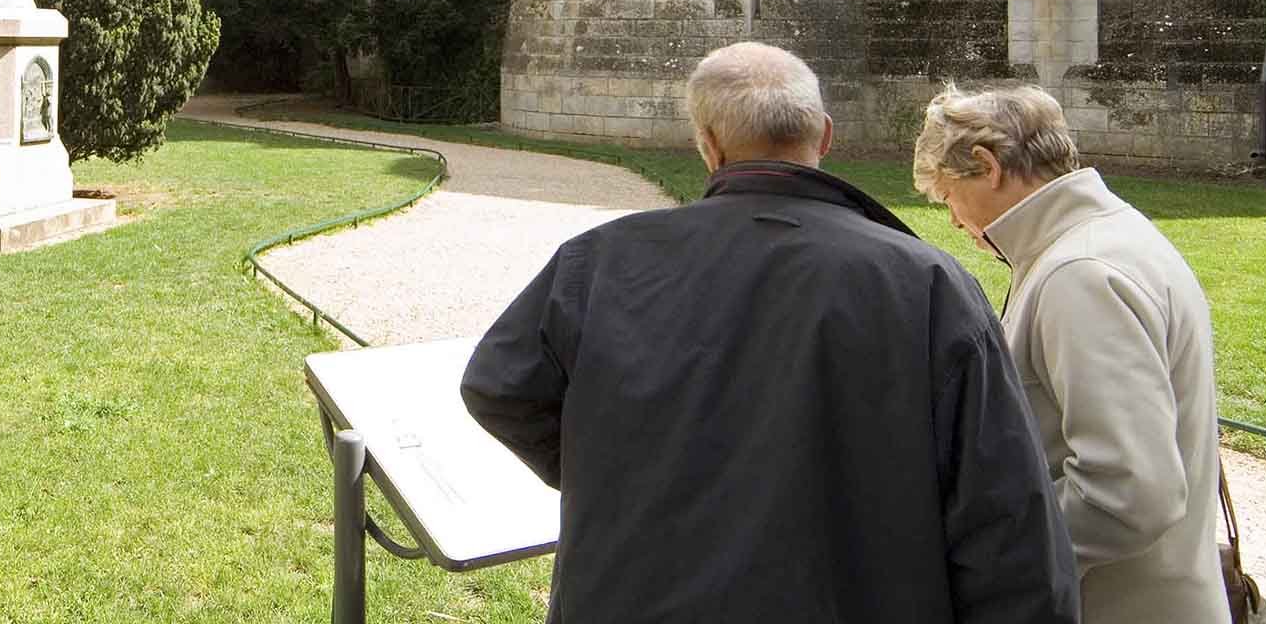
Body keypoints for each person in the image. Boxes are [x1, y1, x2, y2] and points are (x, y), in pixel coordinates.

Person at [461, 42, 1077, 624]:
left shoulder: (596, 262)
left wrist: (625, 468)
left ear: (708, 145)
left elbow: (499, 384)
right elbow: (1007, 521)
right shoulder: (926, 282)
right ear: (826, 135)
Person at [913, 85, 1225, 624]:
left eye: (947, 197)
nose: (954, 222)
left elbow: (1130, 492)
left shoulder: (1078, 272)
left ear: (987, 166)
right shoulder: (1107, 236)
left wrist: (997, 557)